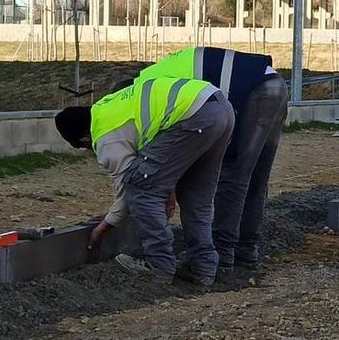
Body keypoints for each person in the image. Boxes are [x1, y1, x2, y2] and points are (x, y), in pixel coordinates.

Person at [54, 76, 235, 286]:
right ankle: (202, 269)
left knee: (141, 187)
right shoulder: (107, 107)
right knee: (196, 195)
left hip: (192, 115)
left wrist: (106, 224)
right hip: (220, 107)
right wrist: (167, 190)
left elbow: (131, 188)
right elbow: (162, 164)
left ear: (84, 139)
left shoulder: (104, 137)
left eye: (87, 148)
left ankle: (159, 266)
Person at [134, 47, 288, 272]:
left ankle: (223, 253)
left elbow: (173, 147)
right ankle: (246, 251)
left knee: (232, 174)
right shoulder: (156, 74)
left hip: (253, 92)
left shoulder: (145, 91)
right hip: (274, 84)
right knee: (255, 178)